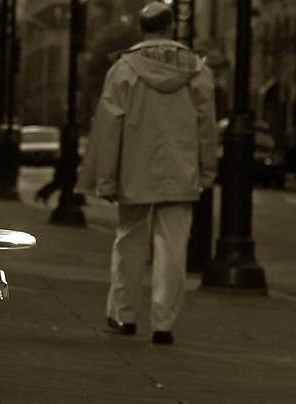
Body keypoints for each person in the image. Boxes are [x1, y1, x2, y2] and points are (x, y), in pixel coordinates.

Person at [80, 1, 218, 345]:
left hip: (134, 169)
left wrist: (107, 178)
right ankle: (163, 323)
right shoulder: (197, 70)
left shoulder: (125, 69)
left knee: (129, 239)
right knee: (173, 248)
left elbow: (110, 128)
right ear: (171, 27)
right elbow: (207, 127)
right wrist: (207, 170)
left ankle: (124, 314)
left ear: (142, 29)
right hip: (181, 170)